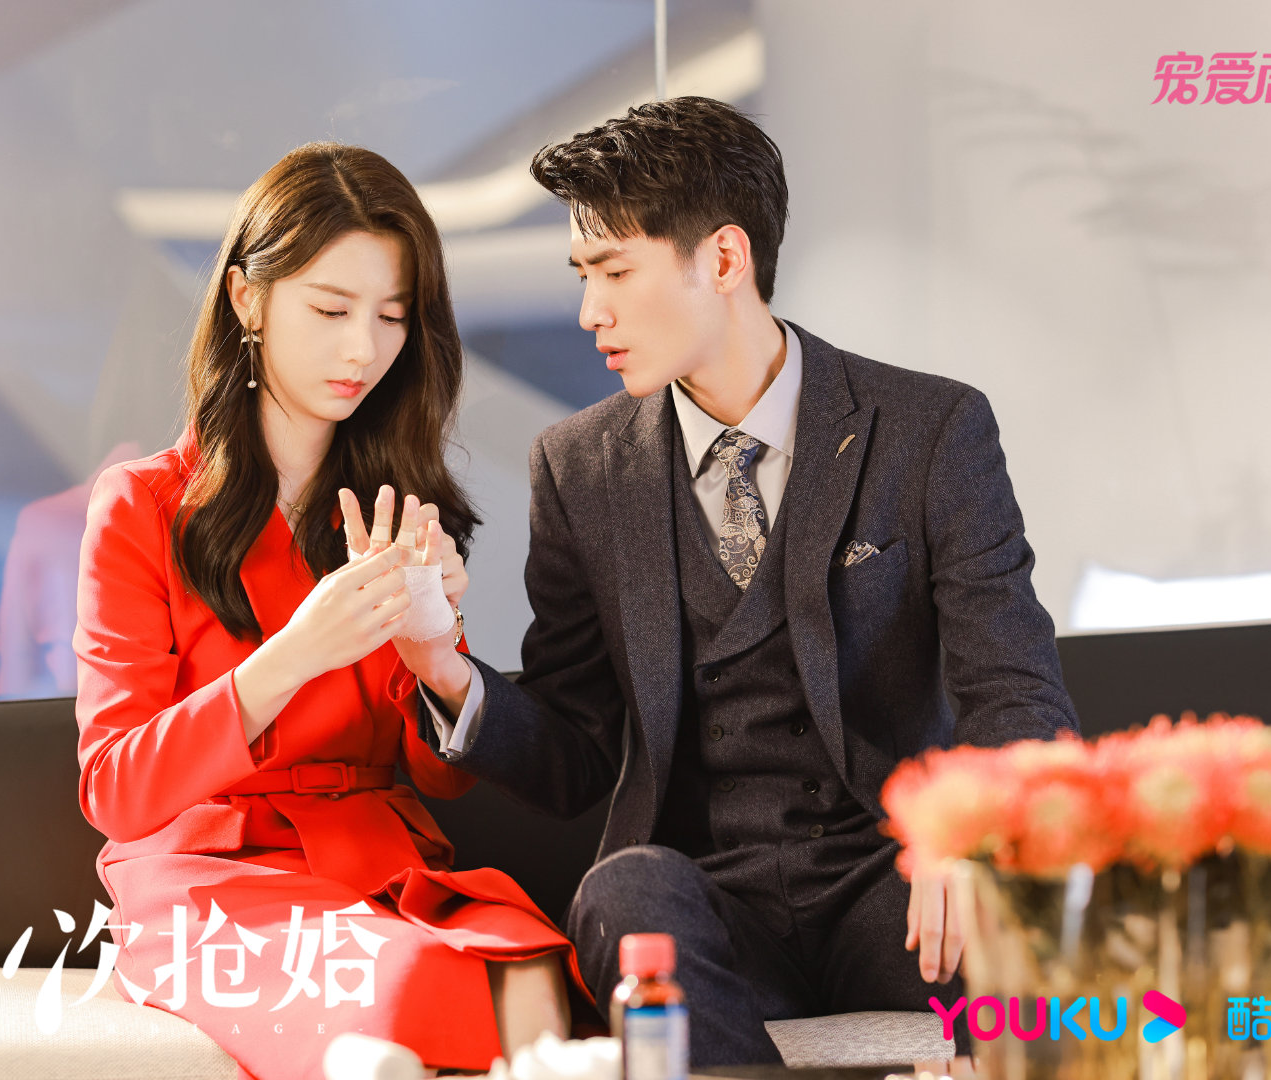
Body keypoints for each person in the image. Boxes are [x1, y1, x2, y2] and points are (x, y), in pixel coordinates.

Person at [395, 97, 1080, 1066]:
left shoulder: (928, 431)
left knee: (1024, 924)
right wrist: (445, 668)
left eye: (614, 272)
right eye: (582, 277)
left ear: (723, 259)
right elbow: (577, 749)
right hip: (709, 899)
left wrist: (973, 832)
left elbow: (1017, 692)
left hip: (895, 884)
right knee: (624, 894)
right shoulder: (578, 467)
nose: (590, 312)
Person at [73, 142, 584, 1080]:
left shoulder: (400, 505)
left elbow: (439, 783)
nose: (364, 350)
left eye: (392, 317)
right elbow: (114, 788)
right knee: (412, 987)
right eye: (330, 309)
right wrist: (293, 655)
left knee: (533, 967)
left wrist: (435, 660)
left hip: (375, 858)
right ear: (246, 299)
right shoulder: (142, 505)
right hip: (212, 875)